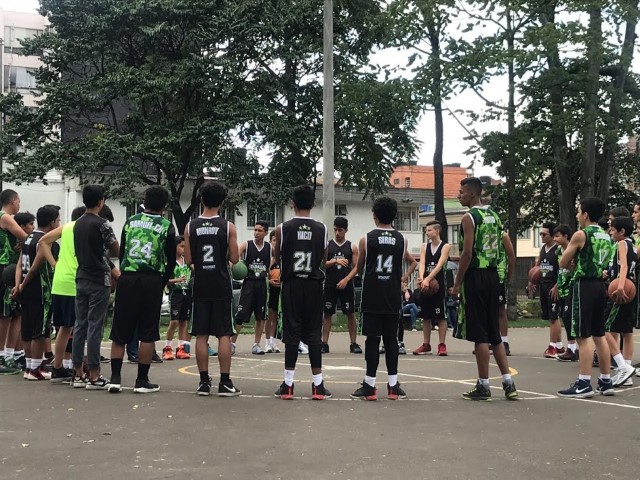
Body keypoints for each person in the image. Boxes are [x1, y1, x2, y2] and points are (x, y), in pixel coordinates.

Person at [452, 177, 518, 401]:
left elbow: (467, 253)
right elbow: (505, 250)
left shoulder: (469, 217)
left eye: (461, 192)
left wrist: (457, 283)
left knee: (480, 335)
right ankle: (508, 382)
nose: (458, 195)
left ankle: (483, 384)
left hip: (476, 277)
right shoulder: (494, 216)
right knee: (495, 334)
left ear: (472, 194)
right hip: (493, 276)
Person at [108, 186, 176, 394]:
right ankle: (141, 380)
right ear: (164, 206)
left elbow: (123, 250)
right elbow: (171, 260)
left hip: (128, 278)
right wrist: (162, 280)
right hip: (151, 279)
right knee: (147, 332)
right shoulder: (166, 226)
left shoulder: (130, 222)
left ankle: (115, 378)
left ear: (144, 201)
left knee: (120, 331)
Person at [351, 196, 417, 401]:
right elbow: (401, 265)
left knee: (372, 340)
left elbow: (359, 268)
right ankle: (393, 385)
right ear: (394, 216)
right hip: (392, 296)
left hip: (372, 296)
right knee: (391, 340)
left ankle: (370, 386)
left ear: (375, 215)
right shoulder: (402, 240)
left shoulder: (366, 239)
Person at [273, 185, 331, 400]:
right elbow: (324, 260)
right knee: (314, 335)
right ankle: (318, 386)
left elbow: (276, 255)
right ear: (313, 204)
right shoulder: (323, 229)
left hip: (292, 285)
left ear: (292, 204)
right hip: (314, 285)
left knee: (292, 334)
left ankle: (288, 385)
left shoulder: (282, 228)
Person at [184, 182, 241, 397]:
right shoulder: (228, 226)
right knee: (224, 333)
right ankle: (225, 382)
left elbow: (189, 259)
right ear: (222, 202)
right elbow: (235, 258)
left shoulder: (190, 227)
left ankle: (203, 382)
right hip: (221, 284)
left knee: (201, 334)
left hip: (200, 285)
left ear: (201, 200)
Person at [557, 197, 614, 398]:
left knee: (582, 335)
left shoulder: (581, 234)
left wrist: (572, 260)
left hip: (584, 286)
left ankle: (583, 382)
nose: (577, 215)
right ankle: (606, 380)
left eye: (578, 211)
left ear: (586, 214)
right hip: (600, 285)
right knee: (599, 334)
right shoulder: (607, 236)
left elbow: (563, 262)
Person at [72, 185, 119, 390]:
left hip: (81, 276)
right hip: (99, 277)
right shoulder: (103, 224)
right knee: (95, 327)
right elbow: (115, 248)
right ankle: (94, 374)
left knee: (80, 325)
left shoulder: (77, 223)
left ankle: (77, 373)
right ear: (101, 201)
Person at [13, 205, 60, 381]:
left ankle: (29, 366)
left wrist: (18, 285)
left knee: (27, 327)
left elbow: (19, 264)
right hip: (40, 289)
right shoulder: (45, 241)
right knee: (40, 330)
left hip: (26, 289)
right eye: (58, 219)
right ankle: (34, 368)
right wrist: (23, 285)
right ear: (52, 222)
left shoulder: (28, 238)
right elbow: (34, 268)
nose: (59, 223)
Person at [604, 217, 637, 387]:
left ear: (622, 231)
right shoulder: (633, 245)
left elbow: (623, 266)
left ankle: (622, 366)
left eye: (612, 230)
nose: (610, 232)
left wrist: (620, 286)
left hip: (622, 291)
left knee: (605, 329)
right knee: (627, 332)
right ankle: (628, 372)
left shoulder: (621, 244)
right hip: (632, 290)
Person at [322, 216, 362, 354]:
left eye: (340, 230)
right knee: (327, 313)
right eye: (335, 230)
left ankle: (353, 343)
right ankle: (324, 343)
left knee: (350, 313)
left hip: (346, 284)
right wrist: (335, 261)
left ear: (346, 230)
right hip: (330, 283)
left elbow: (356, 267)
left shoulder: (352, 246)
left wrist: (346, 279)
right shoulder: (328, 245)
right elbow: (323, 264)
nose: (337, 233)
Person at [0, 190, 29, 375]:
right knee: (4, 314)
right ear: (12, 201)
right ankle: (1, 354)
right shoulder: (5, 217)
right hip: (3, 267)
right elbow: (26, 237)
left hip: (12, 268)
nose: (19, 205)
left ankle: (10, 354)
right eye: (18, 201)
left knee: (14, 313)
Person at [232, 221, 271, 355]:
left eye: (260, 230)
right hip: (249, 283)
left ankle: (256, 344)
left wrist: (271, 272)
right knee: (241, 315)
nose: (256, 232)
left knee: (260, 316)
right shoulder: (247, 245)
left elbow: (276, 258)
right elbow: (233, 256)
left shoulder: (269, 248)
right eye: (255, 230)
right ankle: (232, 344)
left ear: (266, 232)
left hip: (262, 284)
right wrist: (235, 266)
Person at [413, 221, 450, 356]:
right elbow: (422, 263)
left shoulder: (445, 246)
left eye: (429, 230)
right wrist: (422, 278)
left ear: (437, 231)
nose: (426, 232)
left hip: (438, 285)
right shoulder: (424, 246)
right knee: (426, 316)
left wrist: (428, 279)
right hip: (426, 286)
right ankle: (426, 344)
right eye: (426, 230)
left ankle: (442, 344)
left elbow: (440, 265)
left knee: (440, 316)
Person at [530, 222, 564, 358]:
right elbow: (538, 265)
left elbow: (562, 269)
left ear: (552, 235)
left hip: (553, 286)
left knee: (553, 317)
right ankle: (560, 346)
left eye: (544, 234)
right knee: (550, 317)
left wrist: (557, 286)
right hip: (543, 285)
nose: (542, 236)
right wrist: (532, 281)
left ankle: (552, 346)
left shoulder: (558, 250)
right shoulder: (543, 248)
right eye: (540, 234)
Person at [551, 225, 579, 362]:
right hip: (561, 287)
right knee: (563, 316)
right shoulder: (558, 251)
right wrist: (556, 285)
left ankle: (572, 348)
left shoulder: (573, 249)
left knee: (568, 317)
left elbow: (575, 268)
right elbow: (560, 270)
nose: (555, 239)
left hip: (572, 287)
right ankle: (572, 348)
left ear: (566, 236)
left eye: (557, 236)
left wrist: (571, 268)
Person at [163, 235, 192, 360]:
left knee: (183, 321)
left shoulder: (187, 261)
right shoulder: (169, 263)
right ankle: (167, 348)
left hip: (187, 293)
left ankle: (181, 348)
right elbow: (165, 280)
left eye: (185, 247)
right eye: (181, 246)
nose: (184, 249)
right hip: (176, 293)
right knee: (174, 321)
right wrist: (178, 280)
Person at [496, 232, 516, 356]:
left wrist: (509, 274)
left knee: (500, 310)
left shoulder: (502, 235)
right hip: (483, 276)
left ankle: (504, 342)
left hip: (498, 276)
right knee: (485, 311)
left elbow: (511, 256)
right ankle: (489, 340)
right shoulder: (480, 233)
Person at [264, 230, 281, 353]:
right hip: (269, 288)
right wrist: (269, 281)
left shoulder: (282, 257)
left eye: (278, 241)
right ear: (270, 242)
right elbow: (263, 272)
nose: (276, 243)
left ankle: (272, 340)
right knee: (268, 316)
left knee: (275, 316)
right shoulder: (267, 255)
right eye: (274, 240)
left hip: (279, 289)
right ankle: (266, 342)